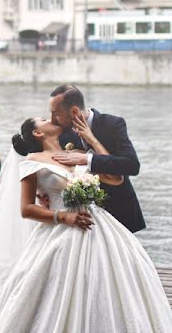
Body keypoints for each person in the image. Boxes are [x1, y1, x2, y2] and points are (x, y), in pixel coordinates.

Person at [0, 117, 172, 333]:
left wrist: (91, 140)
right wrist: (64, 217)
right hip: (62, 230)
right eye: (44, 119)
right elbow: (26, 209)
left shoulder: (74, 153)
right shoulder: (33, 161)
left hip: (98, 224)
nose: (51, 118)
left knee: (109, 279)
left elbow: (115, 178)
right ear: (38, 133)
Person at [46, 84, 145, 233]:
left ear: (74, 111)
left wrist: (88, 155)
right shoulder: (62, 134)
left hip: (120, 212)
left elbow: (131, 165)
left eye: (56, 113)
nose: (53, 119)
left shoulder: (113, 124)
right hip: (84, 218)